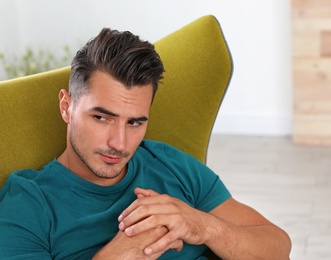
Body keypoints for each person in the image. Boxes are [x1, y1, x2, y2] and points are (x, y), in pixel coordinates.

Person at [0, 28, 291, 259]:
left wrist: (202, 226)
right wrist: (121, 253)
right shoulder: (29, 201)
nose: (120, 143)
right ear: (67, 106)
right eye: (101, 117)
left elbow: (278, 248)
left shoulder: (169, 164)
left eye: (135, 122)